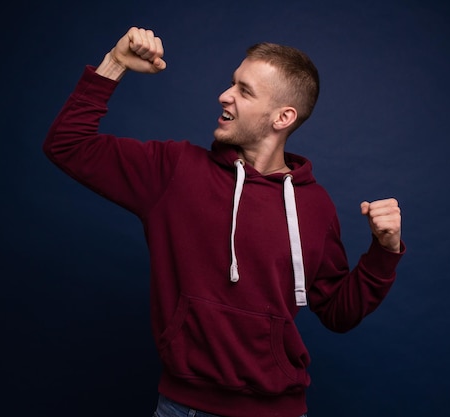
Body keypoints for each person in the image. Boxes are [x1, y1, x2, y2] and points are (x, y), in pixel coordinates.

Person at [43, 26, 405, 417]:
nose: (224, 95)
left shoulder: (315, 206)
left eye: (244, 90)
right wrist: (114, 64)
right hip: (183, 408)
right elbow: (67, 144)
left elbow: (338, 313)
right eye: (232, 83)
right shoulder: (173, 170)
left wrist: (383, 252)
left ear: (283, 117)